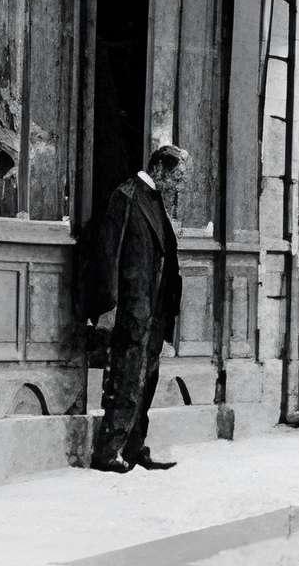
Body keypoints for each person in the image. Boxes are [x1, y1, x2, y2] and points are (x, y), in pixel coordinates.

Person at [85, 143, 186, 474]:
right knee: (127, 379)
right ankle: (109, 451)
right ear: (160, 169)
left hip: (153, 311)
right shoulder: (127, 196)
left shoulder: (154, 201)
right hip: (132, 307)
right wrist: (109, 306)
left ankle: (134, 447)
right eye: (178, 177)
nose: (180, 185)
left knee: (148, 379)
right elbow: (108, 254)